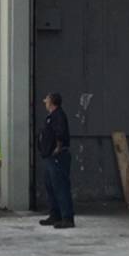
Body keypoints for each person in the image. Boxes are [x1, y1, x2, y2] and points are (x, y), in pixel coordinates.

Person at [38, 91, 74, 228]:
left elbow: (60, 133)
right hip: (49, 157)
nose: (44, 101)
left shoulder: (58, 115)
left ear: (52, 102)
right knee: (51, 186)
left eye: (46, 99)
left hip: (57, 157)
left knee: (61, 186)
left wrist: (57, 148)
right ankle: (55, 214)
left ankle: (67, 217)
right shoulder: (51, 116)